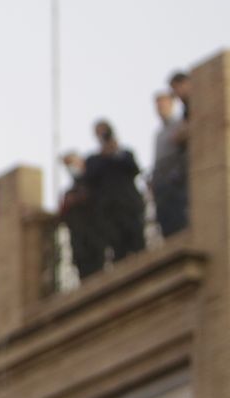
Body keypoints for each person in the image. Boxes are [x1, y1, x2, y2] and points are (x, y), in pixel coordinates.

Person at [84, 120, 146, 264]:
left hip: (130, 207)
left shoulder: (125, 153)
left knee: (138, 243)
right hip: (109, 211)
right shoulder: (94, 160)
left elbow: (134, 169)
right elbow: (90, 179)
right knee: (118, 249)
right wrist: (105, 156)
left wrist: (115, 153)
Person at [59, 151, 105, 280]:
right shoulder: (70, 191)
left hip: (95, 236)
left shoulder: (94, 182)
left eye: (72, 162)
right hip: (79, 240)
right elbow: (62, 214)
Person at [151, 91, 190, 238]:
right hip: (161, 182)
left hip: (176, 179)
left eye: (163, 102)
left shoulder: (181, 124)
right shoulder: (158, 134)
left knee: (179, 220)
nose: (160, 107)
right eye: (157, 104)